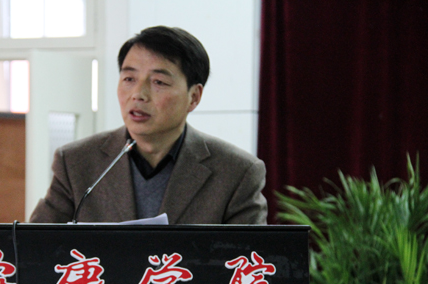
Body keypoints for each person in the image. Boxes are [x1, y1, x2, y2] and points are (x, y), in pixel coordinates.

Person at [29, 26, 267, 224]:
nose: (138, 94)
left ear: (194, 97)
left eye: (159, 82)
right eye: (129, 78)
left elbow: (250, 260)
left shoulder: (236, 172)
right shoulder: (76, 162)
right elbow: (33, 248)